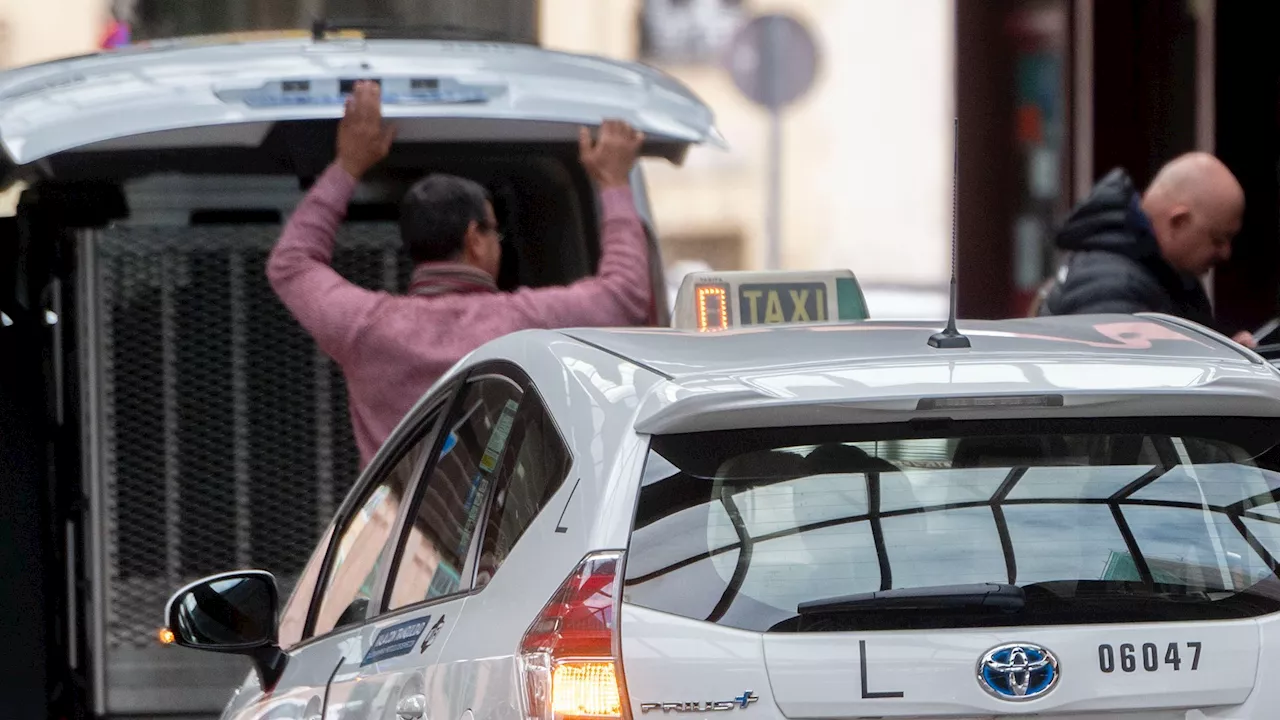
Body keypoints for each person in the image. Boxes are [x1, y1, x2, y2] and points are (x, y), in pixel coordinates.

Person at [268, 81, 653, 467]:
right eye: (494, 230)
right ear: (475, 239)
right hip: (515, 528)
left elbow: (291, 263)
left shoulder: (367, 328)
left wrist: (347, 166)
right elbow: (627, 294)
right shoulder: (526, 324)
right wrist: (614, 183)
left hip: (399, 528)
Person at [1036, 152, 1255, 347]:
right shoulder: (1111, 286)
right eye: (1218, 239)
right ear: (1178, 221)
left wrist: (1228, 355)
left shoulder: (1163, 273)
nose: (1225, 253)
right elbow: (1127, 383)